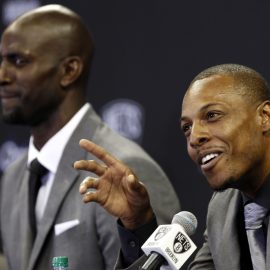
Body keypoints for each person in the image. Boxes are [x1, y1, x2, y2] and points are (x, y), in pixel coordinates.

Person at [0, 4, 180, 270]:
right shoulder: (14, 176)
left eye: (18, 61)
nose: (3, 75)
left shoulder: (124, 168)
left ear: (69, 71)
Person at [74, 63, 270, 269]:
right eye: (187, 128)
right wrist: (138, 223)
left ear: (264, 116)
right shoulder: (222, 209)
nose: (194, 137)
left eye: (212, 115)